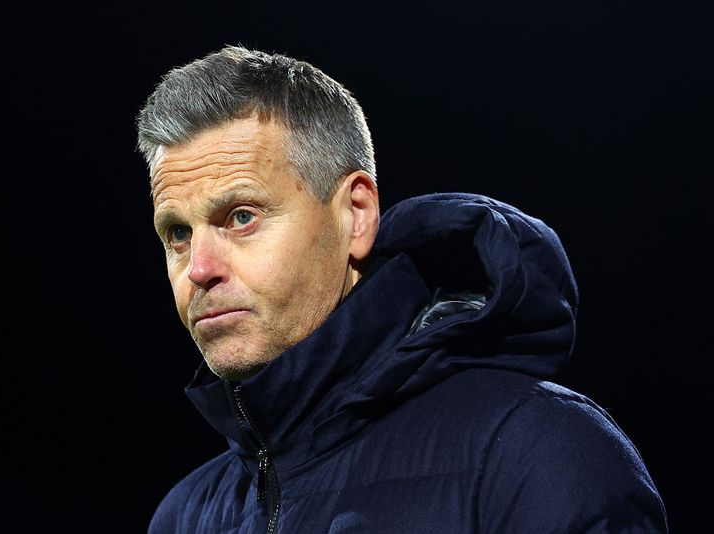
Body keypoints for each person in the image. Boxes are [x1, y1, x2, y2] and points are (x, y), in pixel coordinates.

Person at [135, 45, 668, 533]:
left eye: (241, 217)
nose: (198, 268)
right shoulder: (181, 519)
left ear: (356, 215)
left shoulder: (538, 455)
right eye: (178, 233)